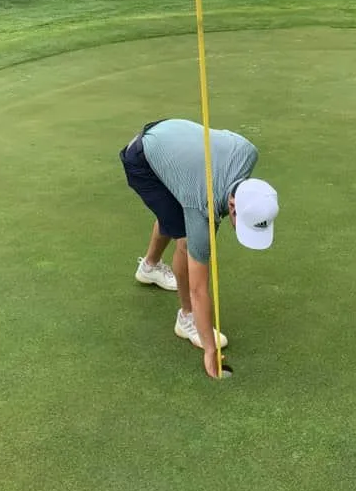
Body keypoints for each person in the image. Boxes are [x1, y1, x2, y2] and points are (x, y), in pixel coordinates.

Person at [120, 118, 279, 378]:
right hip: (142, 160)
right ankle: (186, 319)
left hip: (169, 135)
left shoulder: (248, 153)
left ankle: (149, 267)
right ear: (232, 206)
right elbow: (198, 287)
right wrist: (208, 347)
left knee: (171, 214)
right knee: (183, 237)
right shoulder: (202, 206)